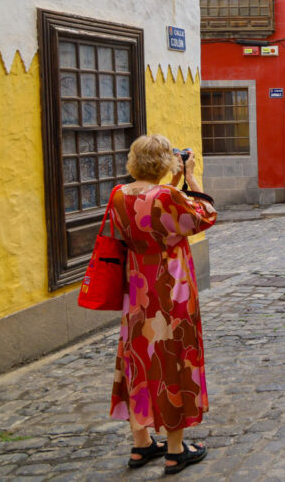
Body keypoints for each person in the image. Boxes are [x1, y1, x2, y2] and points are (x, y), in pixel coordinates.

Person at [106, 134, 217, 474]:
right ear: (166, 162)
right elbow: (204, 216)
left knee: (137, 356)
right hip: (172, 291)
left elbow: (140, 216)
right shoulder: (168, 196)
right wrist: (192, 177)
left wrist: (172, 184)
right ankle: (174, 449)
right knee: (173, 359)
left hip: (137, 286)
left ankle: (141, 445)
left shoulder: (119, 195)